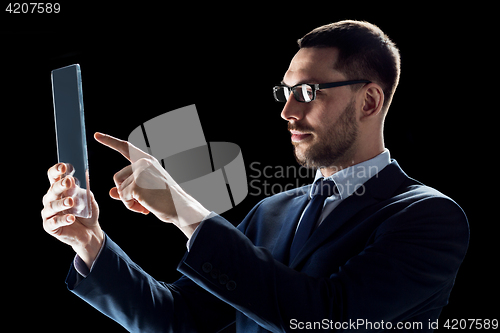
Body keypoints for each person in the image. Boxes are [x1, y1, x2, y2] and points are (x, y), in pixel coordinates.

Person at [41, 20, 469, 332]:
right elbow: (181, 321)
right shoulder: (273, 211)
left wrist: (184, 209)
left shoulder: (429, 217)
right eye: (285, 93)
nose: (287, 112)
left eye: (307, 93)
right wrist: (91, 241)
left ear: (370, 101)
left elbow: (326, 319)